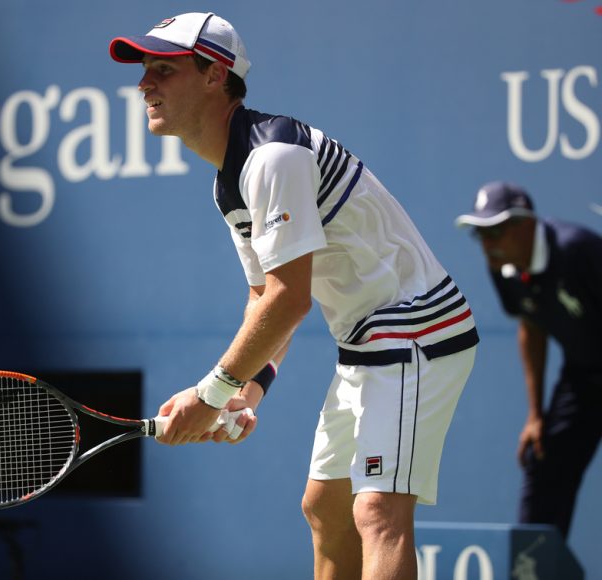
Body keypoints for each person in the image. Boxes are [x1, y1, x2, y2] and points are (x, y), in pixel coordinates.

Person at [110, 12, 479, 579]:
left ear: (215, 75)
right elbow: (264, 296)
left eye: (163, 69)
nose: (144, 84)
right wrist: (250, 390)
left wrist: (211, 395)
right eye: (145, 71)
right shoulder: (229, 179)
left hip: (417, 328)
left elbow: (290, 299)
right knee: (325, 509)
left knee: (378, 510)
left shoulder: (273, 156)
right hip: (369, 339)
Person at [455, 182, 602, 539]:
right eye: (480, 234)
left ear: (525, 224)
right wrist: (536, 414)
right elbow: (532, 326)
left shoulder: (577, 249)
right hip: (584, 376)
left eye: (496, 231)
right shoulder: (503, 265)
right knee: (545, 458)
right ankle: (533, 567)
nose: (487, 244)